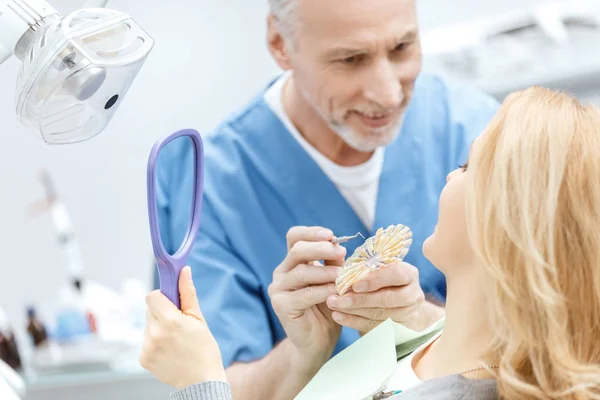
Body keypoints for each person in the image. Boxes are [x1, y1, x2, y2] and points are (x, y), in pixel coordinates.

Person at [142, 86, 600, 400]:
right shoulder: (433, 343)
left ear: (506, 220)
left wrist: (199, 382)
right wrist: (313, 351)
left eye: (466, 166)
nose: (447, 173)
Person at [154, 0, 498, 397]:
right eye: (351, 59)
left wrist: (422, 318)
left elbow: (548, 333)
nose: (387, 94)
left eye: (402, 48)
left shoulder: (473, 131)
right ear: (280, 43)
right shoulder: (209, 184)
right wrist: (300, 356)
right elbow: (209, 382)